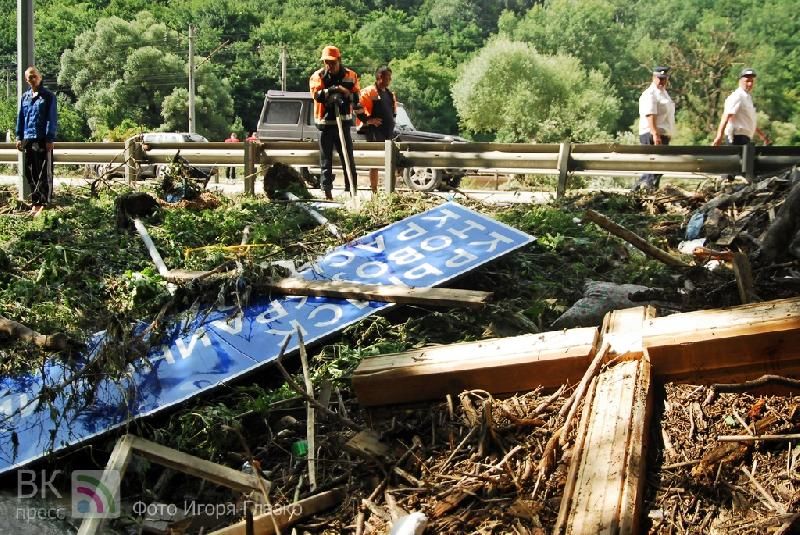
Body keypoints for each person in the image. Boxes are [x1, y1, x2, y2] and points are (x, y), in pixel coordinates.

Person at [309, 45, 364, 200]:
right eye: (326, 62)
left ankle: (352, 191)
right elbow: (317, 95)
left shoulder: (350, 75)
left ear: (339, 60)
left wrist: (345, 94)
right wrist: (334, 90)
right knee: (326, 159)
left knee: (348, 157)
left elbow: (356, 97)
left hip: (344, 122)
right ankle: (327, 192)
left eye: (332, 62)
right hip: (325, 124)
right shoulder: (318, 76)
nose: (329, 65)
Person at [16, 66, 57, 216]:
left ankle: (44, 201)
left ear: (39, 77)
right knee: (30, 172)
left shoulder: (48, 96)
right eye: (29, 78)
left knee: (44, 172)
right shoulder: (25, 97)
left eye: (34, 76)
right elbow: (21, 118)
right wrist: (19, 137)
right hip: (28, 137)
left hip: (42, 138)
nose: (32, 80)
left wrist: (49, 138)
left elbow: (51, 119)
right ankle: (35, 201)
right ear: (26, 80)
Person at [712, 68, 770, 174]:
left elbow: (748, 120)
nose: (749, 83)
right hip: (736, 136)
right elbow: (727, 115)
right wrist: (719, 135)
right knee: (734, 167)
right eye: (747, 81)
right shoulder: (737, 96)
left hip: (745, 136)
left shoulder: (747, 98)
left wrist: (761, 135)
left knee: (744, 167)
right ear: (740, 81)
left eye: (751, 81)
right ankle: (727, 184)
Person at [633, 66, 675, 192]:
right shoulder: (650, 94)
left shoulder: (664, 94)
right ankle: (640, 190)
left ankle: (647, 189)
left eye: (664, 79)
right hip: (651, 134)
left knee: (659, 167)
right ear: (653, 77)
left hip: (662, 134)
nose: (662, 81)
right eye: (659, 79)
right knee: (652, 166)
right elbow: (650, 114)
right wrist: (655, 133)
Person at [358, 66, 397, 193]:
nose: (390, 80)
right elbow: (357, 108)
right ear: (380, 77)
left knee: (391, 162)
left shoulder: (390, 94)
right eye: (388, 77)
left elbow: (393, 112)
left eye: (390, 78)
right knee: (374, 162)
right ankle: (374, 191)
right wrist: (369, 120)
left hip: (388, 133)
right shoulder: (369, 92)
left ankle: (389, 191)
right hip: (374, 132)